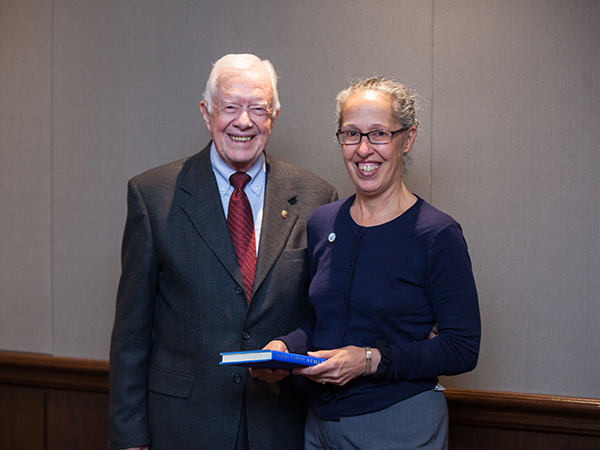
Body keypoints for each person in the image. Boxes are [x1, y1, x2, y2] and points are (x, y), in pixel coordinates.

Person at [107, 53, 338, 450]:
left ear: (275, 115)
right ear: (206, 111)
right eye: (230, 106)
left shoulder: (318, 198)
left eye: (258, 109)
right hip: (183, 425)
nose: (243, 121)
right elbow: (131, 332)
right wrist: (129, 437)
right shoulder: (153, 195)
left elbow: (325, 313)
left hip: (282, 423)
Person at [253, 77, 481, 449]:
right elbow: (324, 321)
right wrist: (283, 347)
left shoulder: (436, 234)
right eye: (351, 134)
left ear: (407, 139)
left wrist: (370, 360)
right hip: (318, 425)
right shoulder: (323, 222)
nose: (363, 149)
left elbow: (462, 347)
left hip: (399, 423)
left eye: (379, 134)